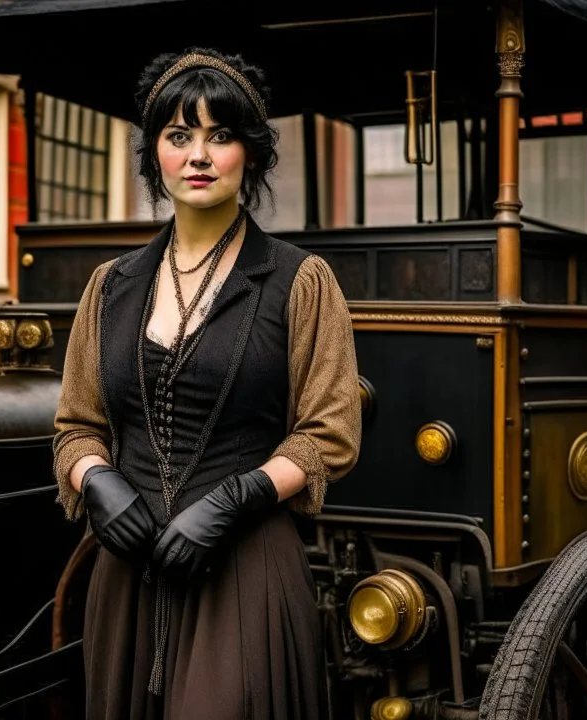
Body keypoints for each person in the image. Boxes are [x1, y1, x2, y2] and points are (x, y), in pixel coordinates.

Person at [51, 46, 362, 720]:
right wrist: (96, 482)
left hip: (243, 573)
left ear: (248, 153)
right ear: (155, 153)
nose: (198, 155)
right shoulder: (110, 286)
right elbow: (77, 427)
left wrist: (233, 500)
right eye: (179, 135)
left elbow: (329, 434)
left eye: (219, 136)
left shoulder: (299, 281)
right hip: (127, 579)